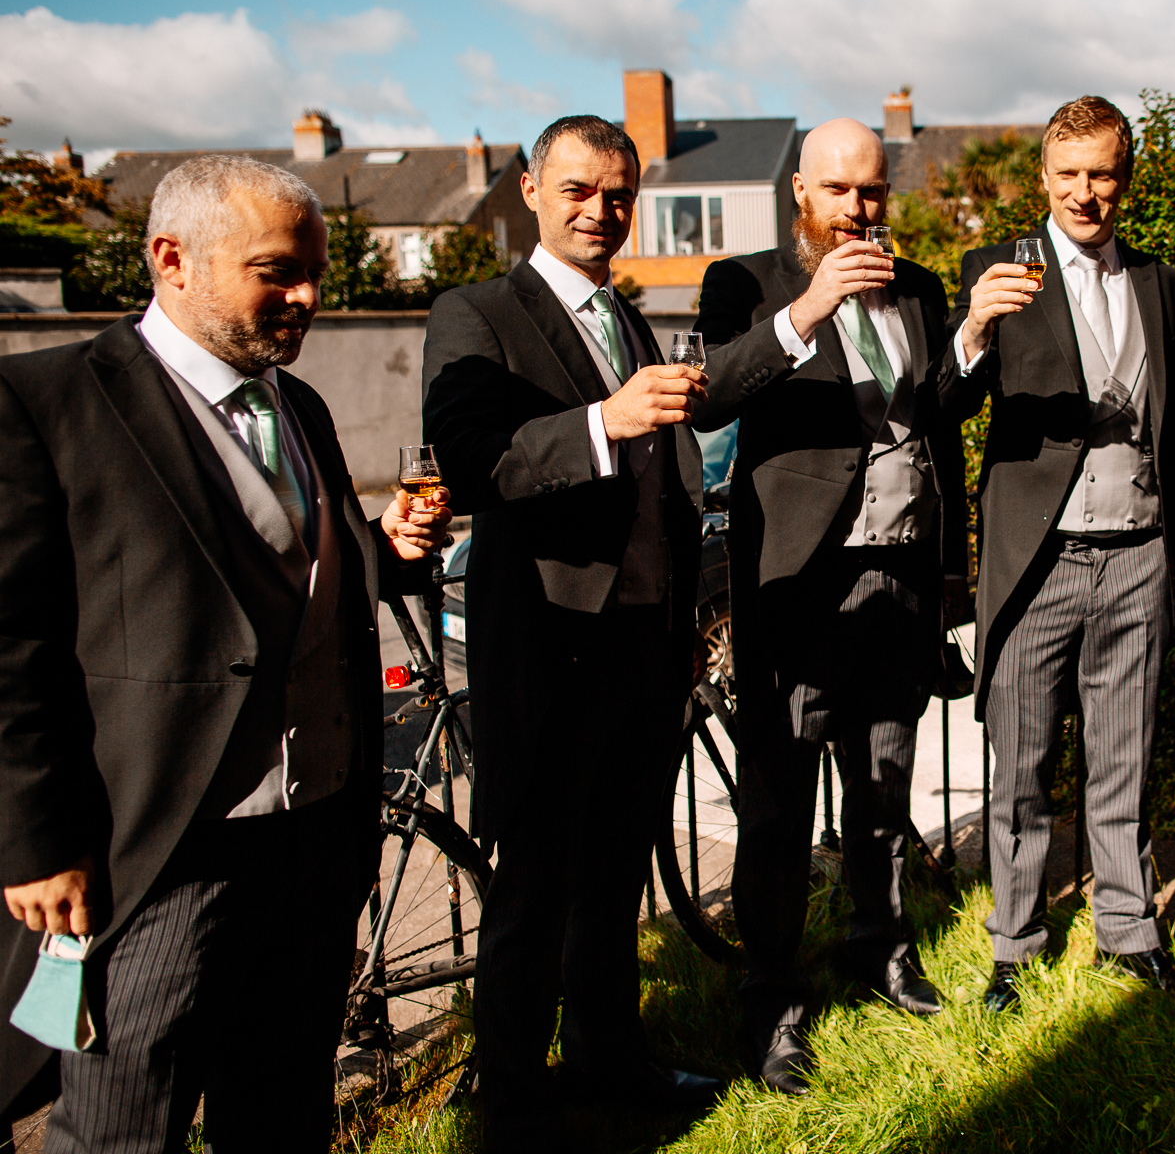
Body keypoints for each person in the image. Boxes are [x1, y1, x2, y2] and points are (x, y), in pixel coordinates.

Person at [0, 154, 453, 1152]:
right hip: (160, 853)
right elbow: (11, 644)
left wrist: (388, 552)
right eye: (276, 271)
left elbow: (292, 581)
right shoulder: (48, 402)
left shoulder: (302, 406)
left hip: (315, 842)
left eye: (316, 273)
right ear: (173, 258)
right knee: (127, 1125)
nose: (307, 297)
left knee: (284, 1111)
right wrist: (31, 838)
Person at [421, 115, 717, 1144]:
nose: (603, 210)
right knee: (532, 888)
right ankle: (511, 1101)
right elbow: (471, 458)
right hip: (547, 649)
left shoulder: (631, 323)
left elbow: (669, 493)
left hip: (642, 645)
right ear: (530, 188)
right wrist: (604, 421)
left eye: (620, 193)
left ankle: (611, 1059)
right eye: (581, 189)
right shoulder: (477, 311)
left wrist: (684, 620)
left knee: (614, 876)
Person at [690, 118, 968, 1094]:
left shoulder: (922, 286)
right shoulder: (747, 282)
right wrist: (808, 310)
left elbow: (936, 418)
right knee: (778, 806)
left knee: (884, 786)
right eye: (840, 191)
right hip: (799, 584)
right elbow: (710, 394)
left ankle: (879, 945)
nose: (860, 211)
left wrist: (970, 342)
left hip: (899, 573)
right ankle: (772, 996)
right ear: (800, 190)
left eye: (875, 193)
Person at [947, 95, 1175, 1013]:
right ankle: (1014, 948)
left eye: (1102, 173)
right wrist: (975, 329)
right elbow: (945, 402)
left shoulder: (1158, 280)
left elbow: (1173, 428)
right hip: (1040, 562)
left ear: (1126, 178)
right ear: (1044, 179)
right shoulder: (996, 271)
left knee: (1125, 757)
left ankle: (1130, 936)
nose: (1085, 192)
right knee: (1019, 764)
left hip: (1140, 553)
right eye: (1068, 175)